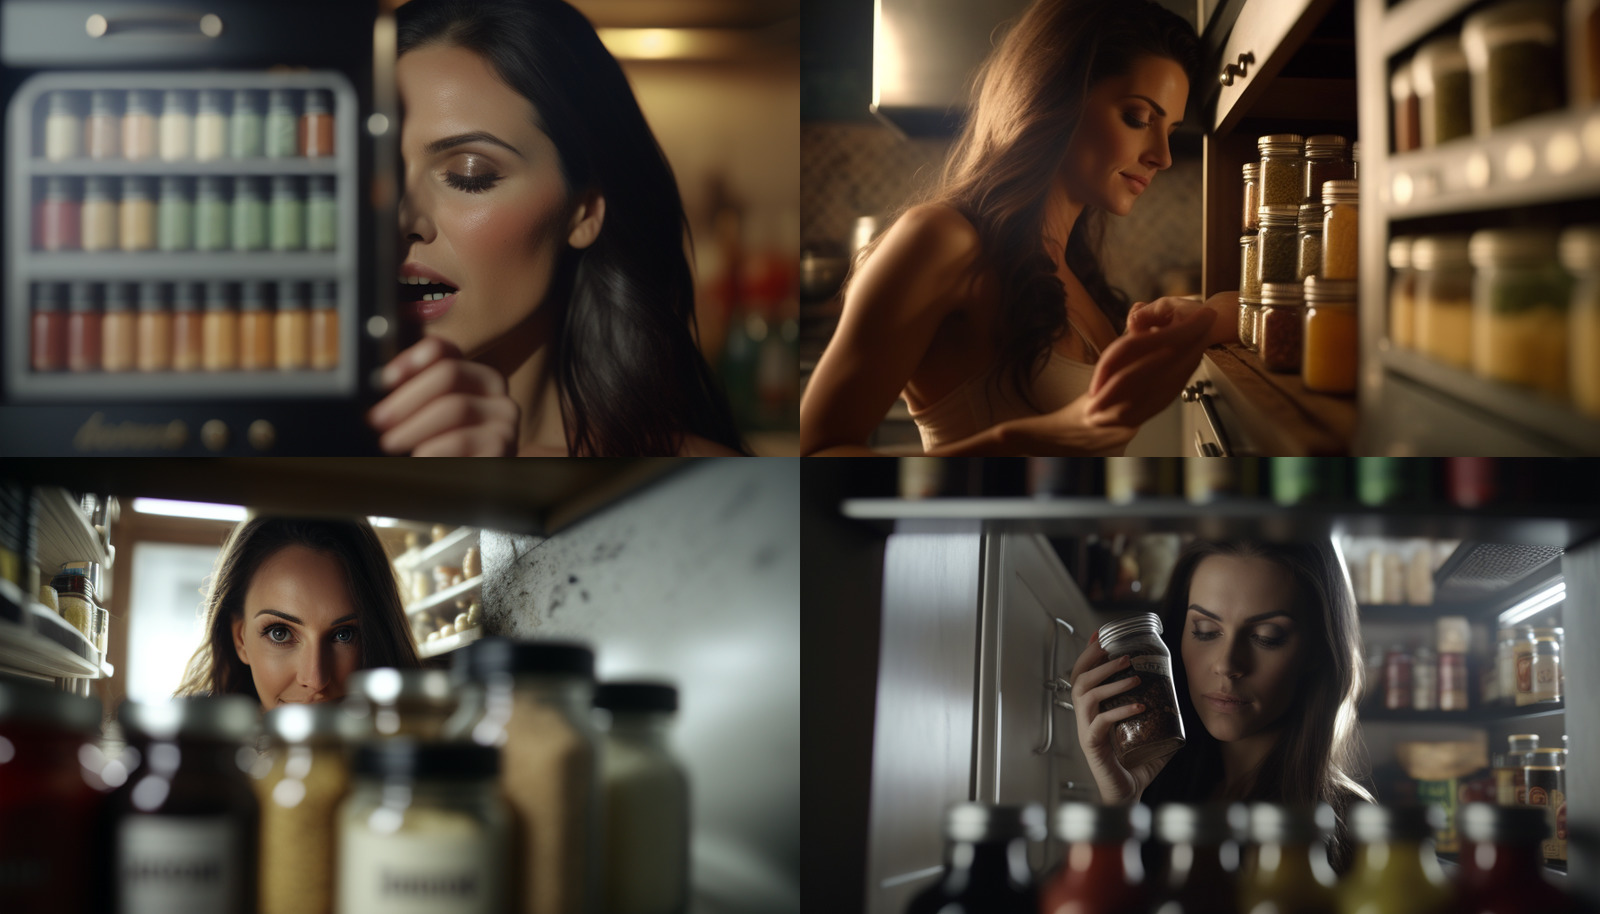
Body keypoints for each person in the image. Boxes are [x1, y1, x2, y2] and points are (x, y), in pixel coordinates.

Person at [801, 0, 1240, 456]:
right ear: (1055, 98)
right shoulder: (941, 239)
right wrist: (1021, 441)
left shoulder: (1068, 270)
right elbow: (817, 451)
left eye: (1169, 131)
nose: (1162, 157)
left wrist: (1203, 319)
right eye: (1138, 118)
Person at [368, 0, 746, 456]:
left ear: (584, 212)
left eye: (470, 174)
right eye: (376, 170)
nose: (404, 219)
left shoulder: (696, 477)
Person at [1069, 540, 1373, 873]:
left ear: (1317, 653)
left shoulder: (1353, 825)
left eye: (1267, 636)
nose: (1227, 664)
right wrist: (1120, 806)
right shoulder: (1159, 793)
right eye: (1205, 631)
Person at [174, 516, 420, 709]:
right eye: (280, 633)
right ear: (240, 639)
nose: (315, 679)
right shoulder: (192, 758)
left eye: (344, 634)